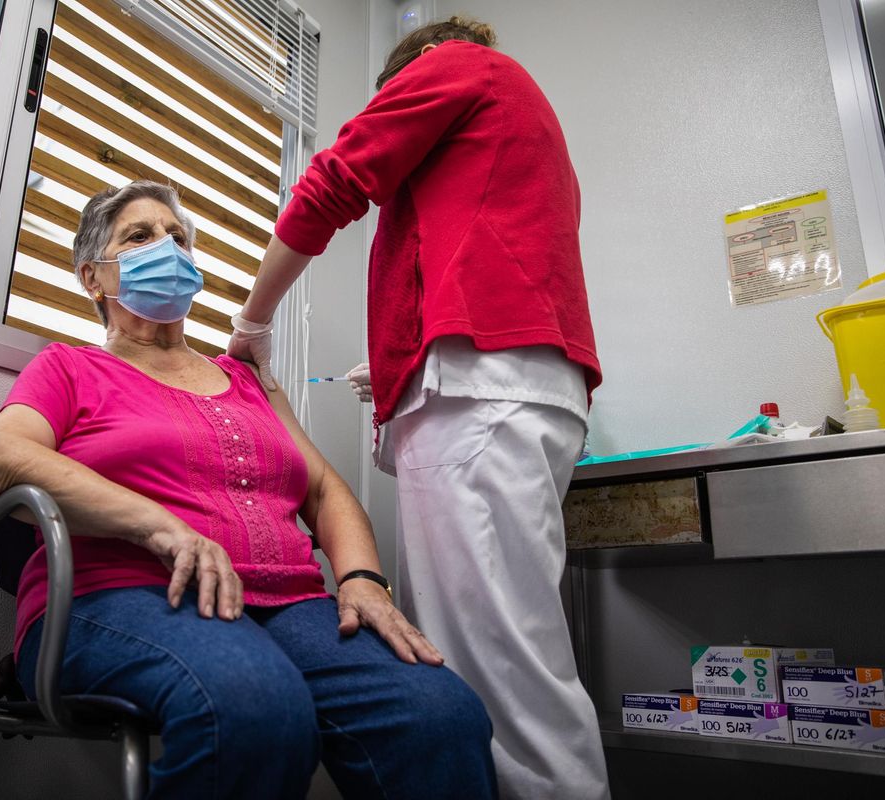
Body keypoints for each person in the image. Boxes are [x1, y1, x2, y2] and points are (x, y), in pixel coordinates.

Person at [0, 180, 497, 800]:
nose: (169, 247)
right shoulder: (70, 368)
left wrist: (361, 580)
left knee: (442, 715)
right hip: (117, 596)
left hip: (291, 608)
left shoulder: (247, 380)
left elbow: (324, 491)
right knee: (256, 705)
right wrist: (156, 524)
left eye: (178, 238)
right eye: (140, 236)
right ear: (93, 277)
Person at [227, 17, 609, 800]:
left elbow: (333, 180)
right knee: (502, 653)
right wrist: (400, 365)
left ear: (412, 73)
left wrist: (252, 323)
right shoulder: (519, 125)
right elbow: (485, 262)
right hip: (511, 390)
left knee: (497, 677)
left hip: (482, 399)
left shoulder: (455, 66)